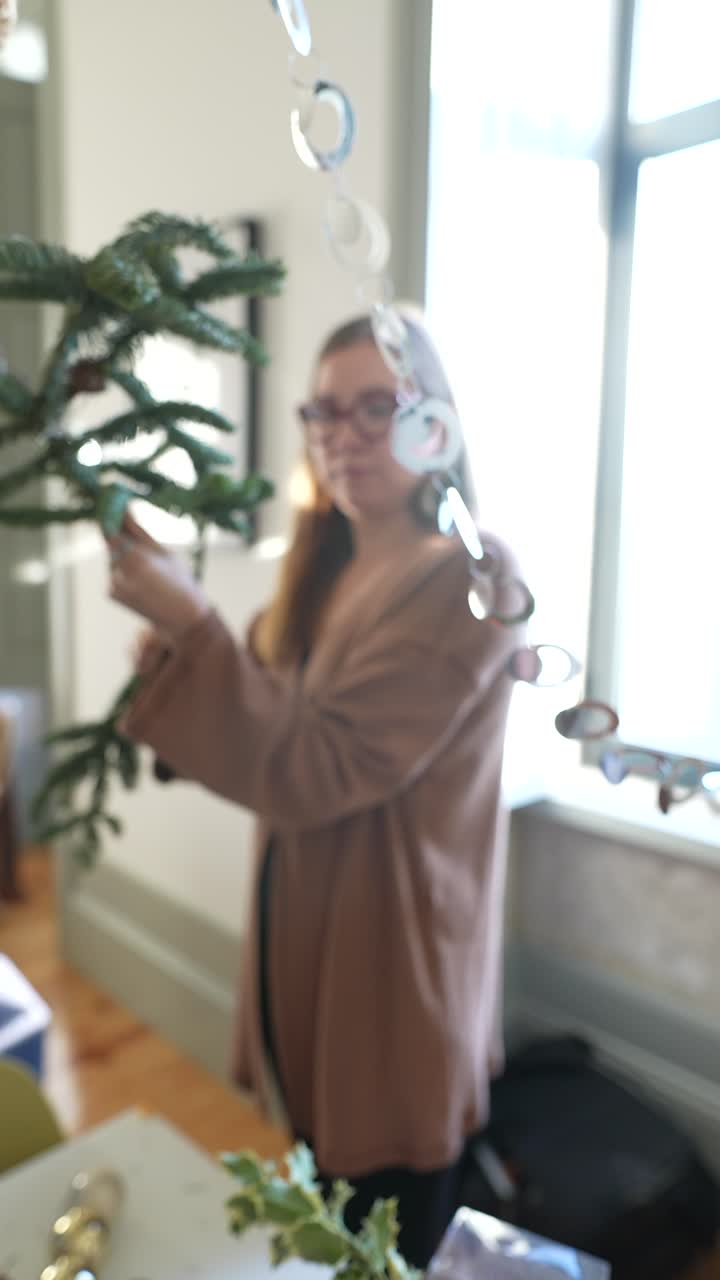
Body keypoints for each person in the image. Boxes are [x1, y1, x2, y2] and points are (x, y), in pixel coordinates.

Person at [108, 311, 521, 1267]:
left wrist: (198, 631)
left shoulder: (471, 576)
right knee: (326, 1204)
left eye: (377, 406)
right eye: (323, 412)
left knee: (386, 1231)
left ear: (437, 421)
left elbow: (320, 766)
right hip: (305, 933)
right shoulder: (321, 567)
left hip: (392, 963)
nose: (342, 434)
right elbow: (252, 708)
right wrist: (182, 644)